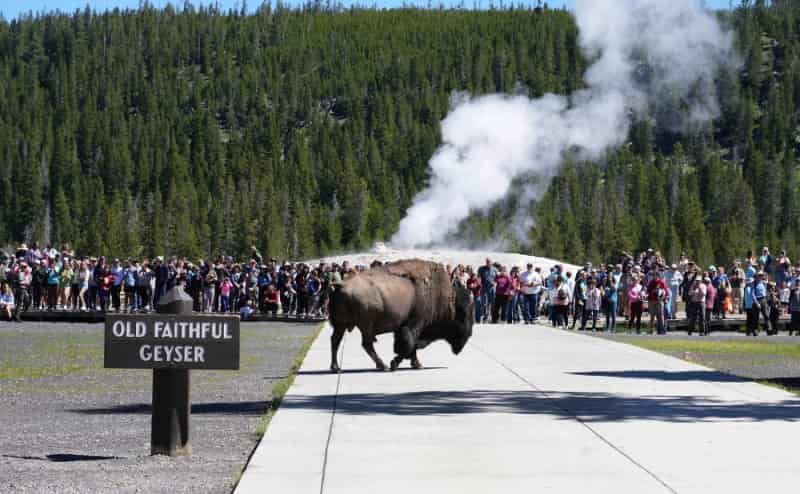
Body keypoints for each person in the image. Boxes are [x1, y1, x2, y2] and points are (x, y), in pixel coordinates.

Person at [647, 270, 669, 335]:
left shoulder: (661, 282)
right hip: (652, 301)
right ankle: (651, 329)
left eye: (655, 275)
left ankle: (662, 330)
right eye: (653, 275)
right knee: (652, 315)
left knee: (661, 315)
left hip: (659, 301)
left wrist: (662, 297)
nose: (654, 276)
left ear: (658, 275)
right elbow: (648, 291)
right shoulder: (651, 282)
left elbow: (666, 292)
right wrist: (652, 292)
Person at [477, 258, 498, 323]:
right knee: (485, 304)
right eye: (487, 262)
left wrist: (495, 283)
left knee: (493, 303)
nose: (488, 263)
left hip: (492, 289)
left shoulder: (495, 269)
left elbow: (497, 278)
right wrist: (479, 283)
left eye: (489, 262)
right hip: (484, 288)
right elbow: (479, 277)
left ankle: (493, 318)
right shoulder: (481, 268)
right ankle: (485, 318)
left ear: (491, 262)